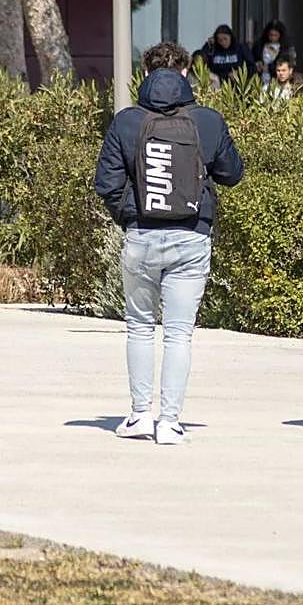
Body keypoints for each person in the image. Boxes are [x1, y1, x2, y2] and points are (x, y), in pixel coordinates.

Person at [94, 41, 245, 446]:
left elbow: (106, 184)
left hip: (141, 236)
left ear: (145, 74)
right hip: (192, 236)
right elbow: (232, 174)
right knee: (179, 333)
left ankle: (140, 415)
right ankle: (171, 422)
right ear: (185, 73)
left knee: (140, 328)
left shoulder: (126, 122)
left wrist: (132, 214)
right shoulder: (208, 121)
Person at [252, 20, 296, 87]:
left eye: (275, 35)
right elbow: (253, 58)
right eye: (271, 35)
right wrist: (257, 64)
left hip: (278, 81)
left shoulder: (286, 48)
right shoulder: (259, 45)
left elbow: (288, 64)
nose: (273, 38)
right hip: (261, 79)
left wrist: (269, 68)